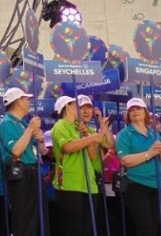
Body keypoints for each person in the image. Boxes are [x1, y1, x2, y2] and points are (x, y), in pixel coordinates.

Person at [51, 96, 109, 236]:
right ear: (68, 107)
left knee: (88, 229)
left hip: (89, 184)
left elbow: (93, 155)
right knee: (73, 229)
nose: (81, 109)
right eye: (76, 105)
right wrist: (91, 137)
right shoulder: (60, 125)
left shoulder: (81, 127)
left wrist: (88, 134)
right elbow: (68, 147)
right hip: (70, 184)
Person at [116, 97, 161, 236]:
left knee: (155, 227)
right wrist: (150, 153)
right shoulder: (124, 134)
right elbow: (125, 160)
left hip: (157, 185)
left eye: (138, 108)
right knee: (145, 227)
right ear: (128, 115)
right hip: (136, 184)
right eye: (131, 110)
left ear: (145, 112)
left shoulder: (155, 134)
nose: (135, 112)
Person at [0, 87, 48, 236]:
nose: (29, 101)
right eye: (26, 98)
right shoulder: (7, 123)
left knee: (39, 218)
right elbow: (16, 150)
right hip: (21, 174)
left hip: (34, 171)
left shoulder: (24, 123)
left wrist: (40, 139)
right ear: (18, 101)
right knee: (25, 219)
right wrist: (31, 129)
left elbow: (43, 151)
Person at [77, 95, 115, 236]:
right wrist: (99, 130)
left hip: (96, 181)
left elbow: (110, 144)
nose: (86, 112)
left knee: (96, 224)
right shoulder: (74, 130)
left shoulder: (93, 131)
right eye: (82, 108)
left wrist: (101, 123)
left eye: (89, 108)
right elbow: (93, 154)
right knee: (83, 224)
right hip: (81, 181)